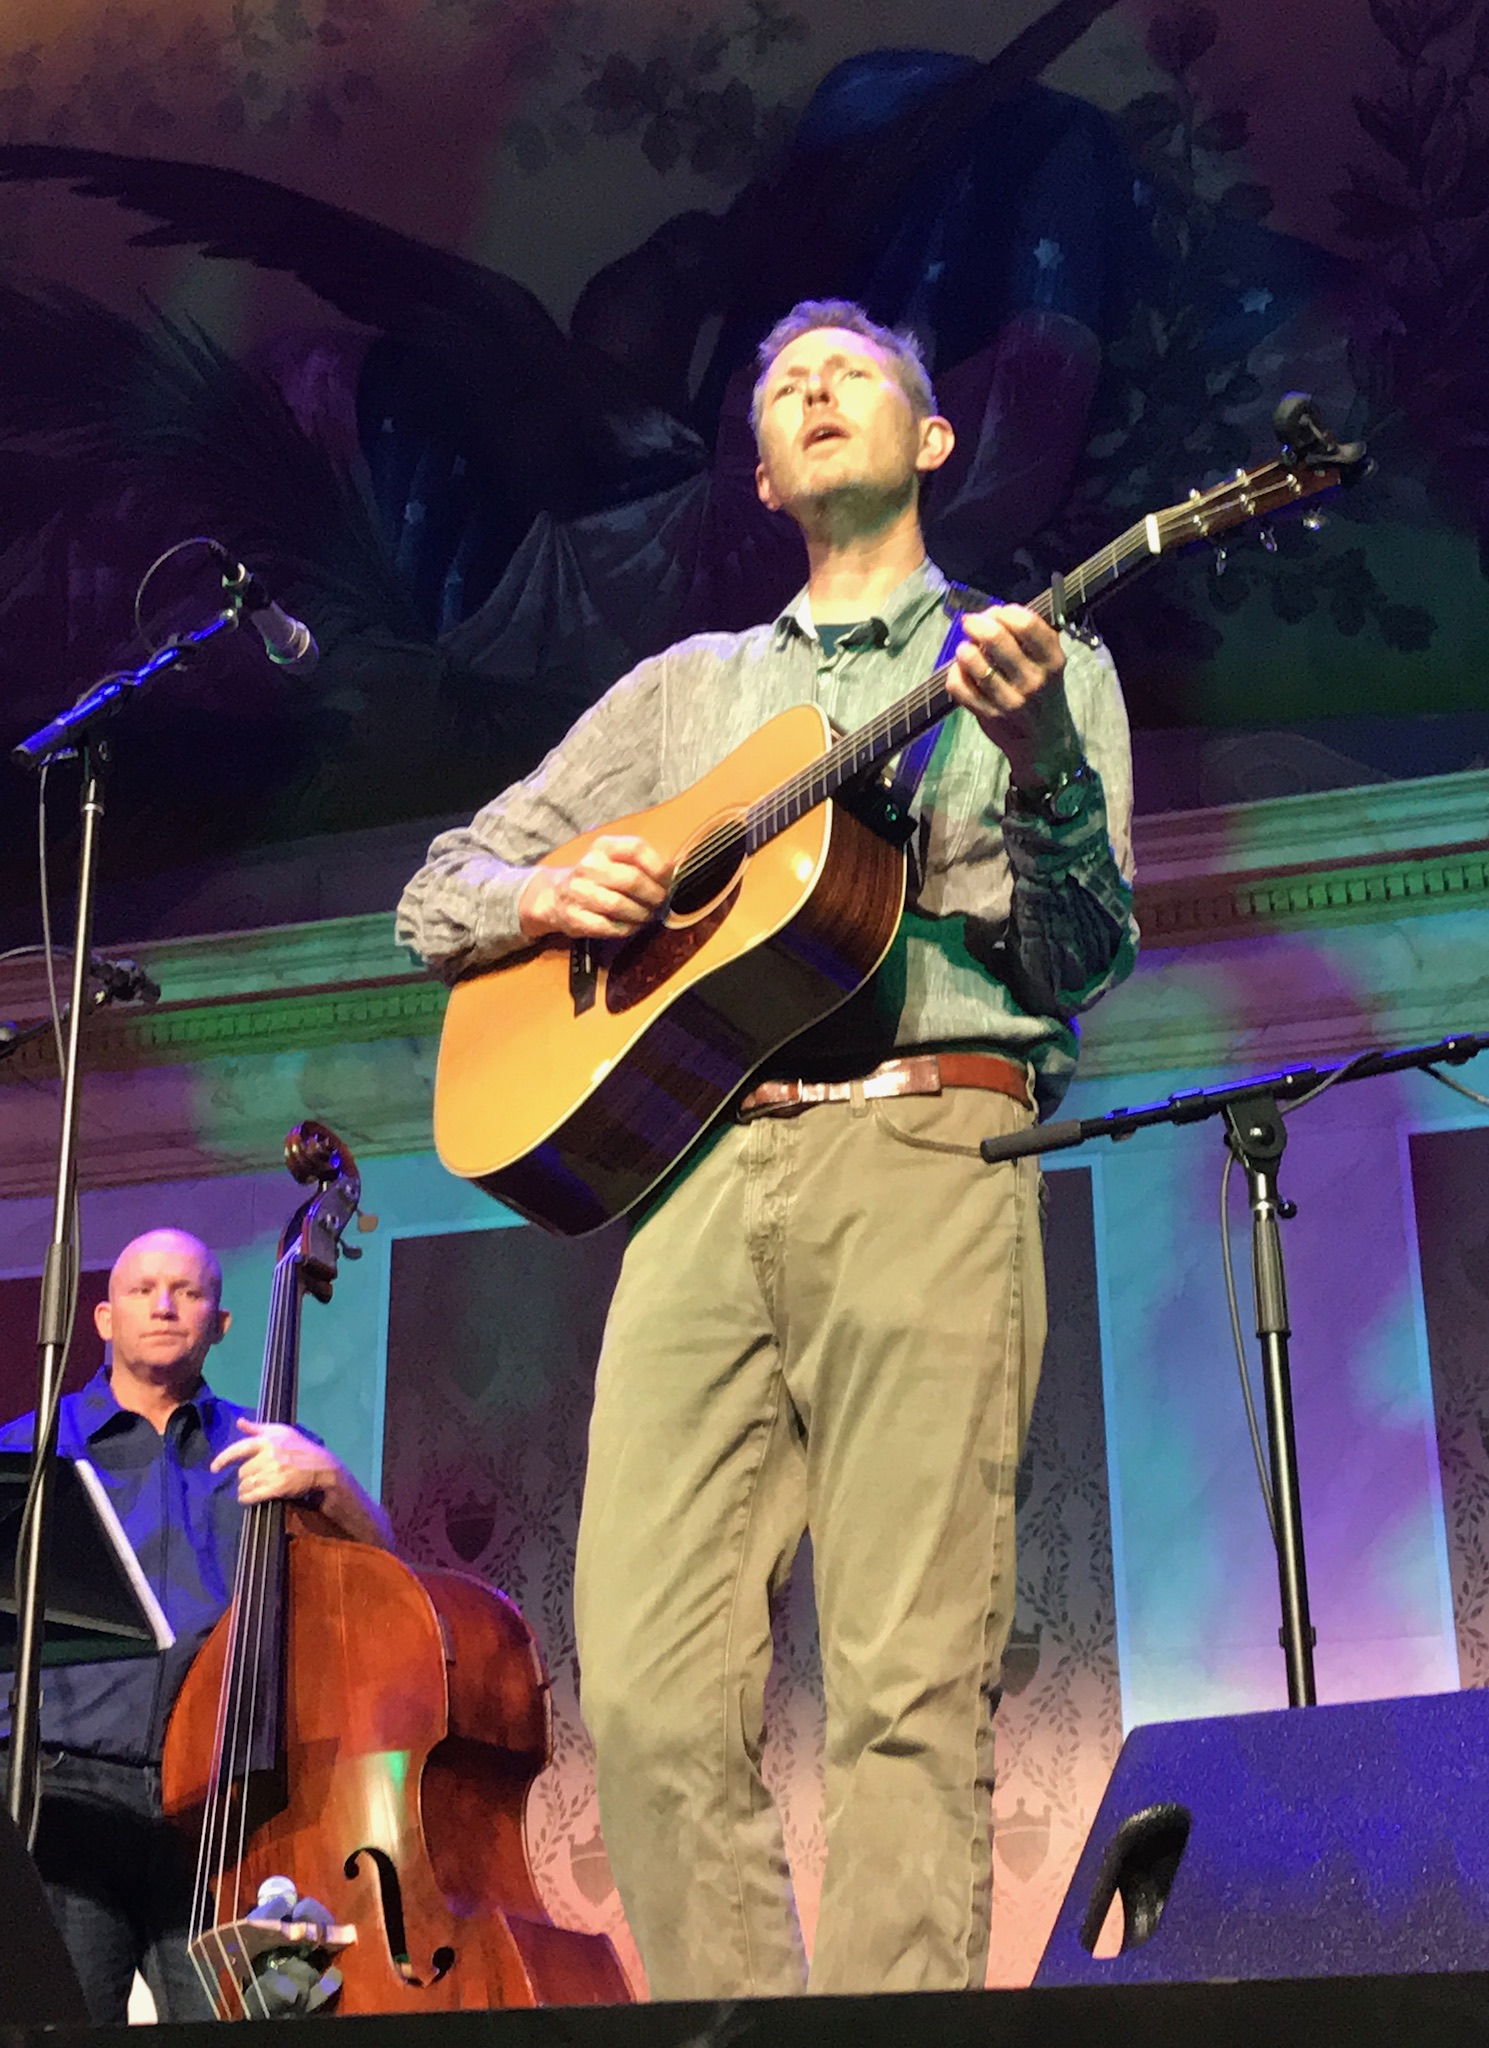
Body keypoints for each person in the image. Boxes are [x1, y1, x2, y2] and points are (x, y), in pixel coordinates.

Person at [396, 299, 1136, 1997]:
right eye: (780, 382)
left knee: (904, 1684)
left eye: (850, 371)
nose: (809, 385)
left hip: (934, 1147)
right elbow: (438, 884)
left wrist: (1037, 771)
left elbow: (1079, 956)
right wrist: (540, 890)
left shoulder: (1043, 659)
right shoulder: (684, 695)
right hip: (704, 1177)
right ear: (755, 468)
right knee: (645, 1694)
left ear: (932, 441)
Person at [0, 1227, 391, 2024]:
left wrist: (332, 1482)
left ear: (221, 1324)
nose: (166, 1306)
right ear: (105, 1318)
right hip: (71, 1798)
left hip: (224, 1807)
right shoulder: (31, 1448)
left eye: (189, 1291)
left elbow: (386, 1576)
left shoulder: (273, 1451)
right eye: (144, 1290)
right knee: (55, 2030)